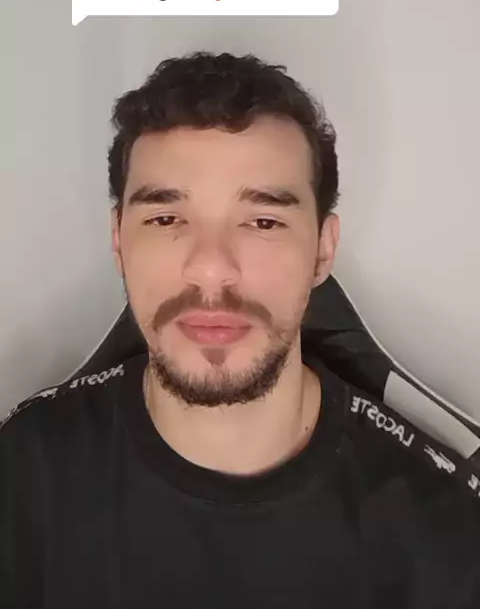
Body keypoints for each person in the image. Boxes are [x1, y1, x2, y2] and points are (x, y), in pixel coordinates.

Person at [1, 51, 479, 608]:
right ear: (118, 240)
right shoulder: (23, 473)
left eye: (263, 221)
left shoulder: (447, 528)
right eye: (165, 218)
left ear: (323, 250)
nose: (211, 269)